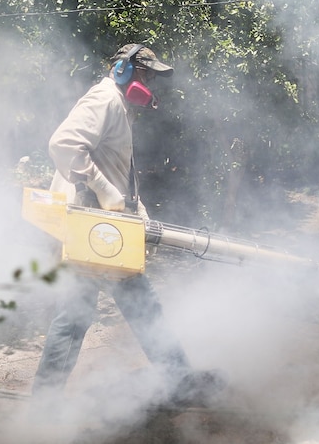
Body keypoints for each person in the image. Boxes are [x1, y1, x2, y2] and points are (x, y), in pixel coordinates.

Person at [31, 43, 225, 408]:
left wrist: (139, 214)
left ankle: (44, 405)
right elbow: (64, 144)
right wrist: (103, 190)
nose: (150, 83)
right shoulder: (104, 99)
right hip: (92, 227)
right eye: (147, 74)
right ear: (124, 71)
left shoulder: (120, 107)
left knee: (98, 313)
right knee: (104, 313)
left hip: (103, 226)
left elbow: (116, 172)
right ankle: (180, 384)